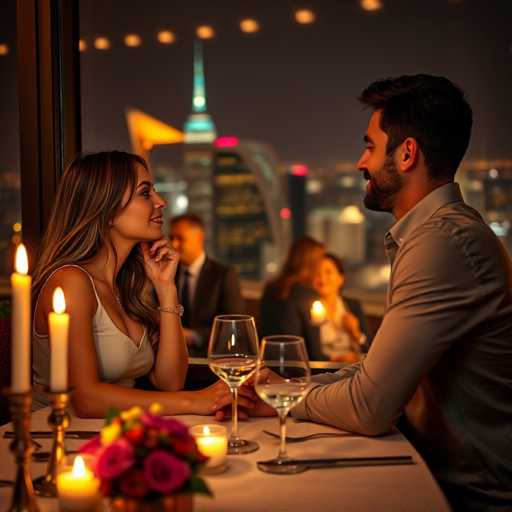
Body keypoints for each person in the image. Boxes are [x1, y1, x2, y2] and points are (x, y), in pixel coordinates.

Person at [253, 75, 512, 510]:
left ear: (407, 153)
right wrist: (286, 387)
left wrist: (284, 398)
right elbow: (374, 372)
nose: (360, 161)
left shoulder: (442, 242)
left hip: (469, 497)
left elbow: (369, 406)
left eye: (370, 146)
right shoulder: (435, 235)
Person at [31, 151, 250, 418]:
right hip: (56, 444)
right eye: (145, 194)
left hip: (113, 437)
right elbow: (86, 399)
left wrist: (167, 290)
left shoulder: (127, 286)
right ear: (107, 210)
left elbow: (170, 382)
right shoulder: (70, 282)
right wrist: (197, 401)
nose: (161, 201)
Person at [169, 214, 245, 357]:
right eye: (171, 238)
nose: (174, 244)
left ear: (199, 238)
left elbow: (234, 325)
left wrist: (194, 336)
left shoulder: (223, 275)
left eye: (180, 238)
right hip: (171, 357)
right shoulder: (168, 275)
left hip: (210, 360)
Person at [259, 236, 326, 360]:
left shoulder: (271, 288)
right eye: (322, 258)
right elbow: (314, 347)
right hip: (295, 366)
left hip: (267, 361)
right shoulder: (308, 294)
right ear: (313, 262)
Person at [312, 253, 369, 362]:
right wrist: (336, 360)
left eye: (328, 272)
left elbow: (370, 349)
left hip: (353, 367)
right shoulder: (307, 308)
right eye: (317, 274)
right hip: (324, 369)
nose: (322, 278)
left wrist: (356, 333)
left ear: (340, 278)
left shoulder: (352, 305)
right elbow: (310, 353)